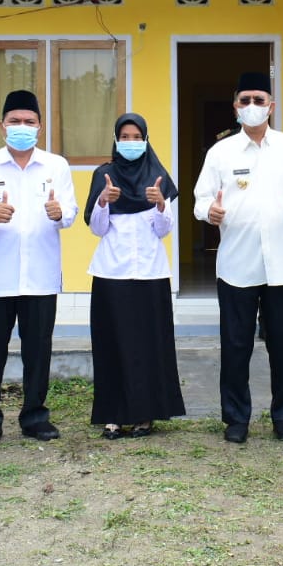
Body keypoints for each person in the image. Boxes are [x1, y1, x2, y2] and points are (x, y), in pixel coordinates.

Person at [192, 72, 283, 444]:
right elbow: (201, 199)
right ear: (235, 106)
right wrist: (209, 214)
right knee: (236, 345)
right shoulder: (220, 152)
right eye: (245, 100)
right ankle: (236, 418)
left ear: (272, 105)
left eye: (259, 100)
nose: (252, 106)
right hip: (236, 264)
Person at [0, 89, 78, 448]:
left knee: (38, 352)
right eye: (15, 121)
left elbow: (71, 211)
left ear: (40, 126)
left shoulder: (56, 165)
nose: (22, 127)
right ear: (2, 126)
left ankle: (35, 417)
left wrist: (62, 214)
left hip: (41, 277)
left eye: (29, 122)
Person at [85, 113, 186, 439]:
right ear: (116, 140)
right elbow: (97, 228)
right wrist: (103, 201)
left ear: (145, 139)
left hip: (150, 274)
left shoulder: (157, 176)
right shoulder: (104, 175)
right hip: (111, 273)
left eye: (136, 136)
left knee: (147, 346)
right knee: (112, 345)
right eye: (124, 136)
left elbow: (163, 231)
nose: (130, 142)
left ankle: (145, 416)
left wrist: (160, 205)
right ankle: (113, 416)